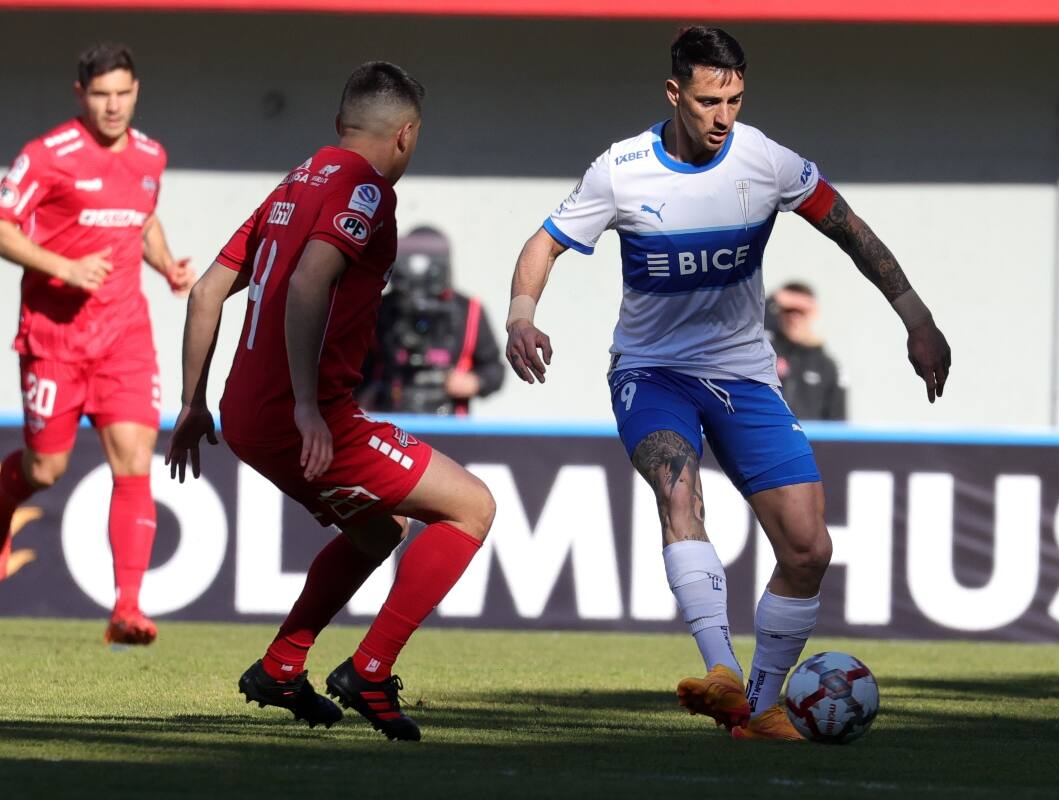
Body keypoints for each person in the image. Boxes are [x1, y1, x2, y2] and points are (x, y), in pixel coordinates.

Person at [504, 27, 950, 740]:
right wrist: (522, 316)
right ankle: (719, 669)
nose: (723, 118)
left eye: (736, 100)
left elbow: (850, 228)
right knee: (679, 494)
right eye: (710, 100)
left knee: (809, 550)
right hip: (651, 373)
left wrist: (917, 319)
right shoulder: (620, 170)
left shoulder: (764, 160)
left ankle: (756, 707)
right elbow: (544, 243)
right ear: (674, 93)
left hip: (744, 375)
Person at [166, 62, 494, 742]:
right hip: (304, 415)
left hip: (243, 413)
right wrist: (310, 407)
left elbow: (204, 293)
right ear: (404, 136)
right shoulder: (367, 190)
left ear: (339, 125)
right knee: (471, 508)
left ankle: (281, 666)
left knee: (378, 529)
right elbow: (313, 281)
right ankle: (369, 671)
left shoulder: (294, 183)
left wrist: (192, 403)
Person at [0, 43, 194, 645]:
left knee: (134, 463)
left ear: (136, 92)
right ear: (81, 94)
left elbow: (143, 218)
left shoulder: (150, 155)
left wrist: (164, 264)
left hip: (124, 339)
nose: (114, 106)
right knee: (46, 468)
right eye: (102, 94)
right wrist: (63, 264)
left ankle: (127, 608)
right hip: (55, 338)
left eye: (124, 93)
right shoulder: (45, 156)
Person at [358, 225, 505, 415]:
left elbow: (494, 369)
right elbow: (353, 368)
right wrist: (366, 394)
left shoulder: (469, 311)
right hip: (390, 419)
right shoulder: (380, 310)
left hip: (449, 424)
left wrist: (473, 382)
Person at [767, 282, 846, 421]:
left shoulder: (827, 366)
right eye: (788, 310)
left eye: (801, 311)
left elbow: (838, 425)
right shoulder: (764, 352)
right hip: (771, 438)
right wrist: (772, 299)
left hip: (811, 442)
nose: (794, 318)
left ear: (813, 312)